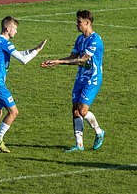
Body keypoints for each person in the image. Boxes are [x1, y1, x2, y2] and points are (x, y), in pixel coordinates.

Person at [41, 10, 106, 152]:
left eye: (79, 22)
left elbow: (82, 60)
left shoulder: (95, 40)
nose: (76, 24)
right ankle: (79, 145)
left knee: (82, 110)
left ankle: (99, 131)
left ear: (87, 23)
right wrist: (55, 61)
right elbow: (72, 57)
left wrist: (59, 62)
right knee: (75, 110)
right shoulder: (80, 39)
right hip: (81, 77)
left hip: (92, 79)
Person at [0, 16, 46, 153]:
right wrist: (37, 51)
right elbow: (23, 60)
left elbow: (17, 53)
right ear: (7, 29)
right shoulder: (4, 43)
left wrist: (33, 49)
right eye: (15, 29)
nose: (16, 32)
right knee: (13, 112)